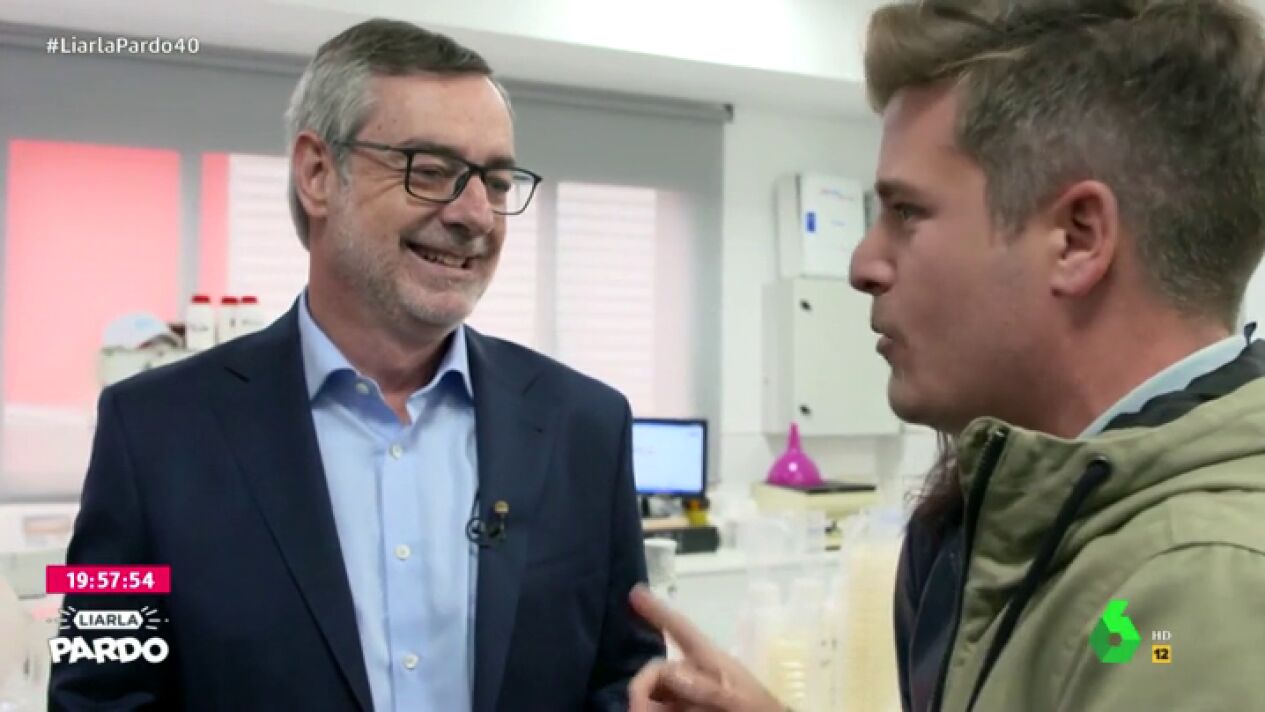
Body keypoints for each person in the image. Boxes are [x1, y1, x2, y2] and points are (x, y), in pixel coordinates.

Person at [629, 1, 1265, 710]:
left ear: (1076, 239)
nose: (863, 264)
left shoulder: (1200, 594)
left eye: (905, 212)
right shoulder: (1061, 527)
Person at [49, 19, 662, 712]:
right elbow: (94, 697)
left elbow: (625, 681)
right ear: (318, 174)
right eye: (429, 171)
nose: (476, 216)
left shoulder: (586, 426)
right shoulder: (149, 430)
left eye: (494, 181)